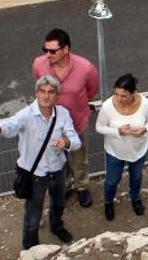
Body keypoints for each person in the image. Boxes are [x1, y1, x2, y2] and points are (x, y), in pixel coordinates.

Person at [0, 75, 81, 250]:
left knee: (58, 203)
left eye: (51, 92)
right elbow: (11, 124)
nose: (46, 96)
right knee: (33, 213)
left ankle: (57, 227)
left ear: (57, 95)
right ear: (36, 93)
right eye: (42, 92)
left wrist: (66, 142)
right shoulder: (26, 114)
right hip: (35, 173)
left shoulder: (63, 114)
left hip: (58, 169)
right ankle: (30, 246)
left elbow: (76, 141)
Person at [32, 28, 99, 207]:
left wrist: (79, 105)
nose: (48, 54)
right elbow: (40, 88)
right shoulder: (39, 65)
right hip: (52, 126)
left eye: (52, 51)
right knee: (59, 159)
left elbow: (92, 90)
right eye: (45, 50)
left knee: (80, 158)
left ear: (66, 49)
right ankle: (67, 184)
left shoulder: (85, 68)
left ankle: (82, 187)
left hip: (78, 123)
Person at [95, 74, 148, 221]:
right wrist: (118, 131)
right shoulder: (108, 107)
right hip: (115, 151)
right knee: (112, 181)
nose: (118, 98)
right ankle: (108, 203)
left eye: (123, 96)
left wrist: (145, 129)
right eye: (116, 93)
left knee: (136, 178)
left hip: (138, 149)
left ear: (133, 93)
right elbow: (99, 127)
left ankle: (135, 199)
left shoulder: (145, 104)